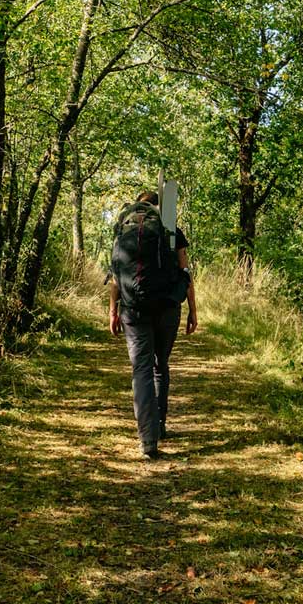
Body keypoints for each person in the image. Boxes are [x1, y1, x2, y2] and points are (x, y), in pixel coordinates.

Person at [108, 191, 197, 459]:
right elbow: (185, 272)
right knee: (160, 365)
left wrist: (113, 310)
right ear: (158, 207)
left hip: (133, 307)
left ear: (138, 204)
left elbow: (115, 274)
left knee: (141, 370)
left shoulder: (124, 227)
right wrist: (193, 310)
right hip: (168, 306)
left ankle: (148, 441)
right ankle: (160, 425)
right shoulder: (170, 229)